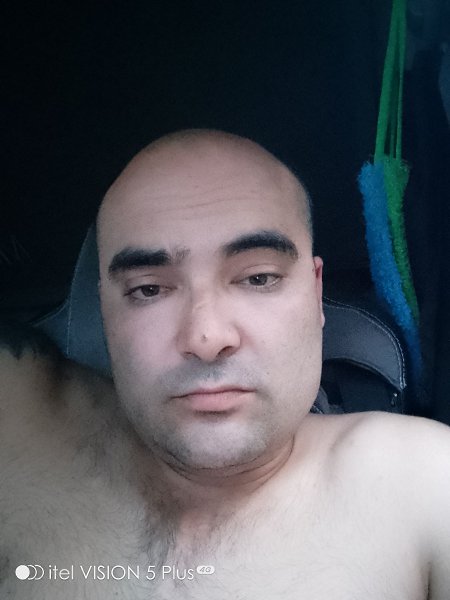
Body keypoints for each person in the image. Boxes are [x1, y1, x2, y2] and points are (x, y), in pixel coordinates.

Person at [1, 129, 450, 600]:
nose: (206, 338)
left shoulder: (424, 483)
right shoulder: (22, 427)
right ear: (105, 311)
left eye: (258, 278)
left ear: (316, 292)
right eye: (149, 289)